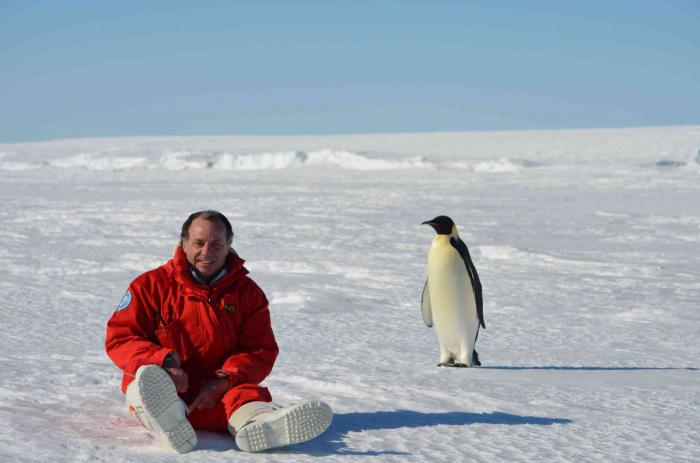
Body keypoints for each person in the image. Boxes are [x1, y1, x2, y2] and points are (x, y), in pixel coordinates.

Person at [105, 210, 332, 453]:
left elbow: (259, 350)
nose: (206, 252)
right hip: (163, 386)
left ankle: (257, 424)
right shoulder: (149, 285)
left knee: (244, 396)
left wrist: (224, 381)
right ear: (183, 243)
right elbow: (121, 338)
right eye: (199, 243)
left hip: (214, 392)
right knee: (145, 380)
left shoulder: (248, 293)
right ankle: (168, 417)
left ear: (228, 246)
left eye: (216, 244)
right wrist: (166, 361)